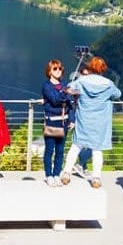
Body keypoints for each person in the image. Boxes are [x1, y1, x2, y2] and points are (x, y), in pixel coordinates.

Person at [61, 56, 121, 189]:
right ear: (103, 69)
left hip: (84, 119)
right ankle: (96, 178)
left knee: (76, 146)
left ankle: (66, 173)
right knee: (97, 150)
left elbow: (68, 89)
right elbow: (118, 94)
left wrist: (74, 90)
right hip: (100, 123)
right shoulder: (108, 84)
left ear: (90, 67)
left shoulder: (82, 81)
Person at [41, 59, 76, 187]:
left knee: (60, 151)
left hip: (64, 122)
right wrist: (64, 92)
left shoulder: (64, 85)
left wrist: (72, 119)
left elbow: (70, 104)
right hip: (51, 122)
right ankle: (49, 175)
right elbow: (55, 100)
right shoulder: (46, 86)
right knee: (50, 150)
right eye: (55, 68)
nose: (58, 71)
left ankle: (57, 174)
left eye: (60, 68)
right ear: (49, 71)